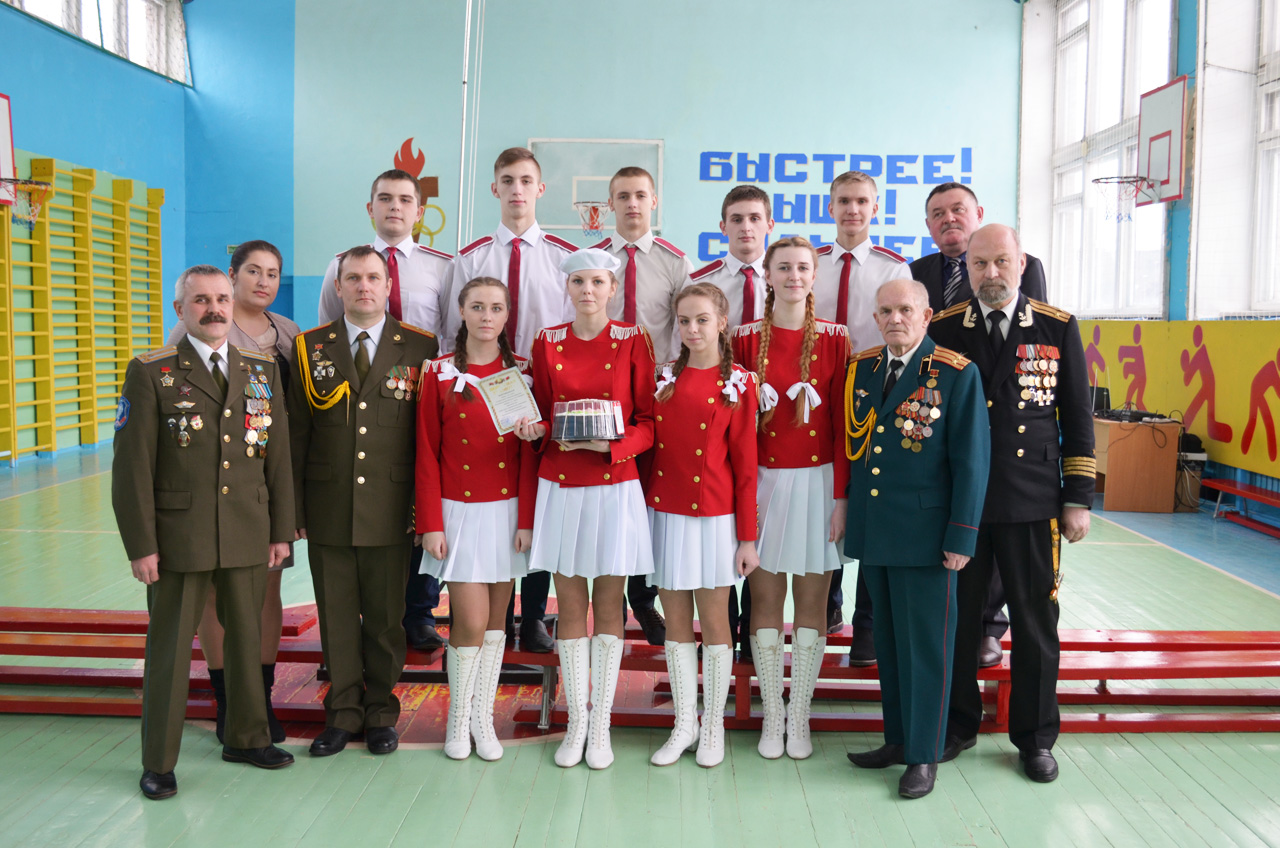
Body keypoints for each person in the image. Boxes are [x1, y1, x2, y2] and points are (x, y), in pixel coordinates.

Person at [112, 265, 295, 800]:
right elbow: (132, 469)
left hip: (247, 530)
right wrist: (141, 545)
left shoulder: (261, 369)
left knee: (245, 641)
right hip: (178, 539)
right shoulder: (152, 372)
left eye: (221, 299)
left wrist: (280, 531)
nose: (214, 309)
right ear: (180, 310)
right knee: (170, 652)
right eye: (200, 300)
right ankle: (159, 762)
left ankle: (247, 738)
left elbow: (277, 456)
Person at [929, 224, 1095, 784]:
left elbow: (1077, 415)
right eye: (979, 263)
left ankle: (1036, 737)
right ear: (967, 268)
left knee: (1035, 622)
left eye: (1001, 261)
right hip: (962, 503)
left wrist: (1078, 498)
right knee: (956, 621)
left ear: (1021, 263)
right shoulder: (945, 327)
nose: (991, 273)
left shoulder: (1056, 325)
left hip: (1032, 499)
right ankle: (957, 725)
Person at [287, 245, 439, 758]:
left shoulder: (420, 346)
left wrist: (423, 511)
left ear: (389, 286)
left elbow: (425, 438)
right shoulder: (309, 348)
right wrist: (296, 512)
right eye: (353, 278)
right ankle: (342, 714)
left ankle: (379, 714)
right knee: (336, 618)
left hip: (392, 509)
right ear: (338, 286)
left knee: (385, 620)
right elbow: (297, 434)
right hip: (327, 506)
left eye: (373, 277)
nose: (364, 286)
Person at [843, 279, 990, 800]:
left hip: (929, 538)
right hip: (878, 532)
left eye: (906, 309)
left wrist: (962, 537)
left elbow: (972, 462)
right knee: (888, 643)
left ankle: (924, 755)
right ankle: (899, 739)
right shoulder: (863, 369)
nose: (895, 319)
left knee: (927, 649)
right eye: (885, 311)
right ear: (875, 318)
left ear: (927, 316)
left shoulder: (956, 373)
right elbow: (860, 452)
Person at [515, 248, 657, 769]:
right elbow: (543, 415)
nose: (588, 291)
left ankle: (602, 724)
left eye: (597, 282)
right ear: (568, 288)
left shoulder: (633, 339)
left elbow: (648, 422)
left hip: (614, 483)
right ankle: (577, 720)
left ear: (612, 288)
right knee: (571, 605)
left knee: (610, 603)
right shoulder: (547, 340)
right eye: (579, 282)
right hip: (561, 483)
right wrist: (534, 430)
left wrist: (611, 447)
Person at [443, 147, 579, 654]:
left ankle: (534, 614)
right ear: (494, 188)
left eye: (526, 180)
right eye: (507, 180)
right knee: (486, 492)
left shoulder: (564, 257)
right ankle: (480, 616)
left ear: (539, 189)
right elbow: (449, 329)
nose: (517, 189)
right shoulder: (471, 257)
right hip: (481, 384)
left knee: (535, 497)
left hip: (540, 388)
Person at [166, 240, 300, 745]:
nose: (263, 282)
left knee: (268, 591)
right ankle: (228, 702)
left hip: (261, 487)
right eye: (253, 272)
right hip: (209, 488)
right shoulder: (195, 329)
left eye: (272, 273)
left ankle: (258, 700)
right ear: (232, 276)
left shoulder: (289, 334)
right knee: (215, 596)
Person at [910, 182, 1047, 669]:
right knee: (956, 551)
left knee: (1010, 560)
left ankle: (991, 626)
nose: (949, 219)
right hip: (951, 431)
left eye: (958, 210)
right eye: (938, 213)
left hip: (1012, 443)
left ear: (977, 213)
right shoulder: (918, 274)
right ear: (929, 225)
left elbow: (1028, 349)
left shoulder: (1027, 271)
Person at [318, 168, 454, 654]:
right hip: (361, 409)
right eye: (385, 198)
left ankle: (418, 612)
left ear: (420, 211)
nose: (395, 206)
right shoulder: (341, 265)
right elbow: (327, 339)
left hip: (422, 400)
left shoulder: (443, 267)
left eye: (404, 199)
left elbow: (451, 336)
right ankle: (363, 616)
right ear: (370, 207)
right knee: (368, 511)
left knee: (421, 507)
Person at [731, 236, 850, 761]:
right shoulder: (742, 338)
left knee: (812, 602)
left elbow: (844, 426)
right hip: (761, 482)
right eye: (783, 267)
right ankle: (771, 713)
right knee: (763, 601)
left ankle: (798, 712)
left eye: (803, 267)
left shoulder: (836, 338)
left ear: (814, 275)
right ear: (768, 274)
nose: (793, 276)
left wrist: (842, 498)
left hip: (818, 482)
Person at [416, 277, 538, 762]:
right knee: (468, 619)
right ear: (462, 312)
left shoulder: (522, 372)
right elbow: (426, 451)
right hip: (457, 511)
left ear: (508, 316)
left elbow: (529, 457)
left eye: (497, 308)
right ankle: (457, 719)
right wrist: (431, 522)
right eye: (478, 307)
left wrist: (526, 521)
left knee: (495, 624)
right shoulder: (438, 372)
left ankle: (482, 720)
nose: (487, 316)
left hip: (506, 512)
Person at [647, 283, 759, 768]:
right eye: (684, 321)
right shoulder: (663, 378)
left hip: (714, 516)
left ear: (722, 323)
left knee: (715, 622)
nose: (692, 330)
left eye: (702, 320)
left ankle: (713, 724)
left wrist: (747, 537)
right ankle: (684, 723)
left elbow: (747, 465)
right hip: (665, 513)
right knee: (675, 624)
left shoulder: (739, 383)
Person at [594, 165, 695, 647]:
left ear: (653, 201)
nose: (632, 204)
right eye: (623, 196)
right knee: (609, 495)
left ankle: (643, 596)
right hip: (604, 393)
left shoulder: (675, 261)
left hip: (656, 393)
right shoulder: (594, 261)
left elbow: (685, 328)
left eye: (640, 195)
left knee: (649, 496)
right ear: (609, 204)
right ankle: (609, 600)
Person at [814, 170, 911, 661]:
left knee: (872, 501)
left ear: (875, 208)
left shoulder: (894, 267)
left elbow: (905, 330)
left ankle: (867, 623)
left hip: (875, 392)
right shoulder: (810, 263)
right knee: (825, 497)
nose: (852, 210)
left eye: (861, 201)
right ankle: (827, 603)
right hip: (817, 394)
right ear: (830, 207)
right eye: (844, 201)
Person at [680, 184, 775, 656]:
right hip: (717, 413)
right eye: (736, 218)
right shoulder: (701, 281)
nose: (745, 227)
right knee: (721, 524)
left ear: (769, 224)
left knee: (765, 527)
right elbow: (685, 347)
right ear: (722, 226)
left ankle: (758, 637)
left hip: (778, 414)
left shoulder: (788, 277)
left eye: (755, 218)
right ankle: (727, 633)